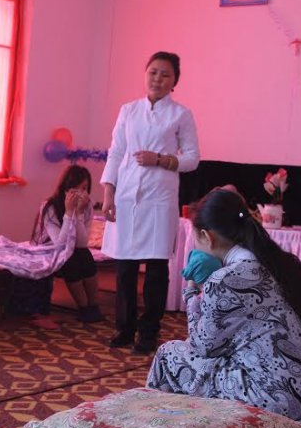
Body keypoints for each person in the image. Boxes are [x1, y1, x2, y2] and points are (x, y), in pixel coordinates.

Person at [146, 189, 301, 428]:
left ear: (206, 236)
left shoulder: (226, 279)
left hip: (283, 411)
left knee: (169, 354)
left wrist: (192, 289)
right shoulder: (284, 263)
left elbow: (202, 346)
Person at [101, 51, 200, 354]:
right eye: (153, 72)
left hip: (159, 199)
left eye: (165, 74)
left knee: (156, 270)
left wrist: (160, 159)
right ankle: (124, 328)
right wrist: (108, 192)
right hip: (126, 196)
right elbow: (116, 152)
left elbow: (192, 159)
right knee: (125, 269)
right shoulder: (128, 110)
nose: (157, 79)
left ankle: (148, 332)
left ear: (174, 82)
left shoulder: (181, 115)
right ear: (145, 74)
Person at [32, 165, 104, 323]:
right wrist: (69, 213)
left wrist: (78, 214)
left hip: (74, 248)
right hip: (50, 249)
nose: (80, 193)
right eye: (75, 188)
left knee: (84, 255)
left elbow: (82, 243)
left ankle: (93, 306)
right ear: (65, 188)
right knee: (70, 258)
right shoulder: (50, 206)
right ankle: (83, 308)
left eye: (84, 188)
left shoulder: (87, 206)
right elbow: (60, 244)